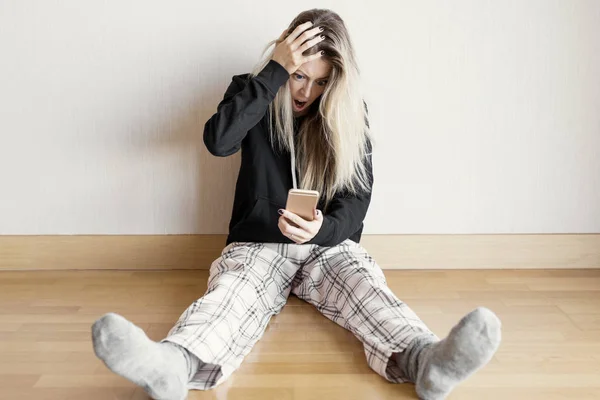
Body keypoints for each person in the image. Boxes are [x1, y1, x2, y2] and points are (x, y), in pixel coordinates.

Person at [91, 9, 501, 400]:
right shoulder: (252, 91)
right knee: (232, 296)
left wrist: (321, 231)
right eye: (299, 76)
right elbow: (218, 142)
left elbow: (357, 199)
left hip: (328, 246)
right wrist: (274, 72)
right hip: (258, 245)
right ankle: (172, 365)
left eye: (321, 82)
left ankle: (426, 360)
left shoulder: (350, 114)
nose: (306, 91)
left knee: (366, 287)